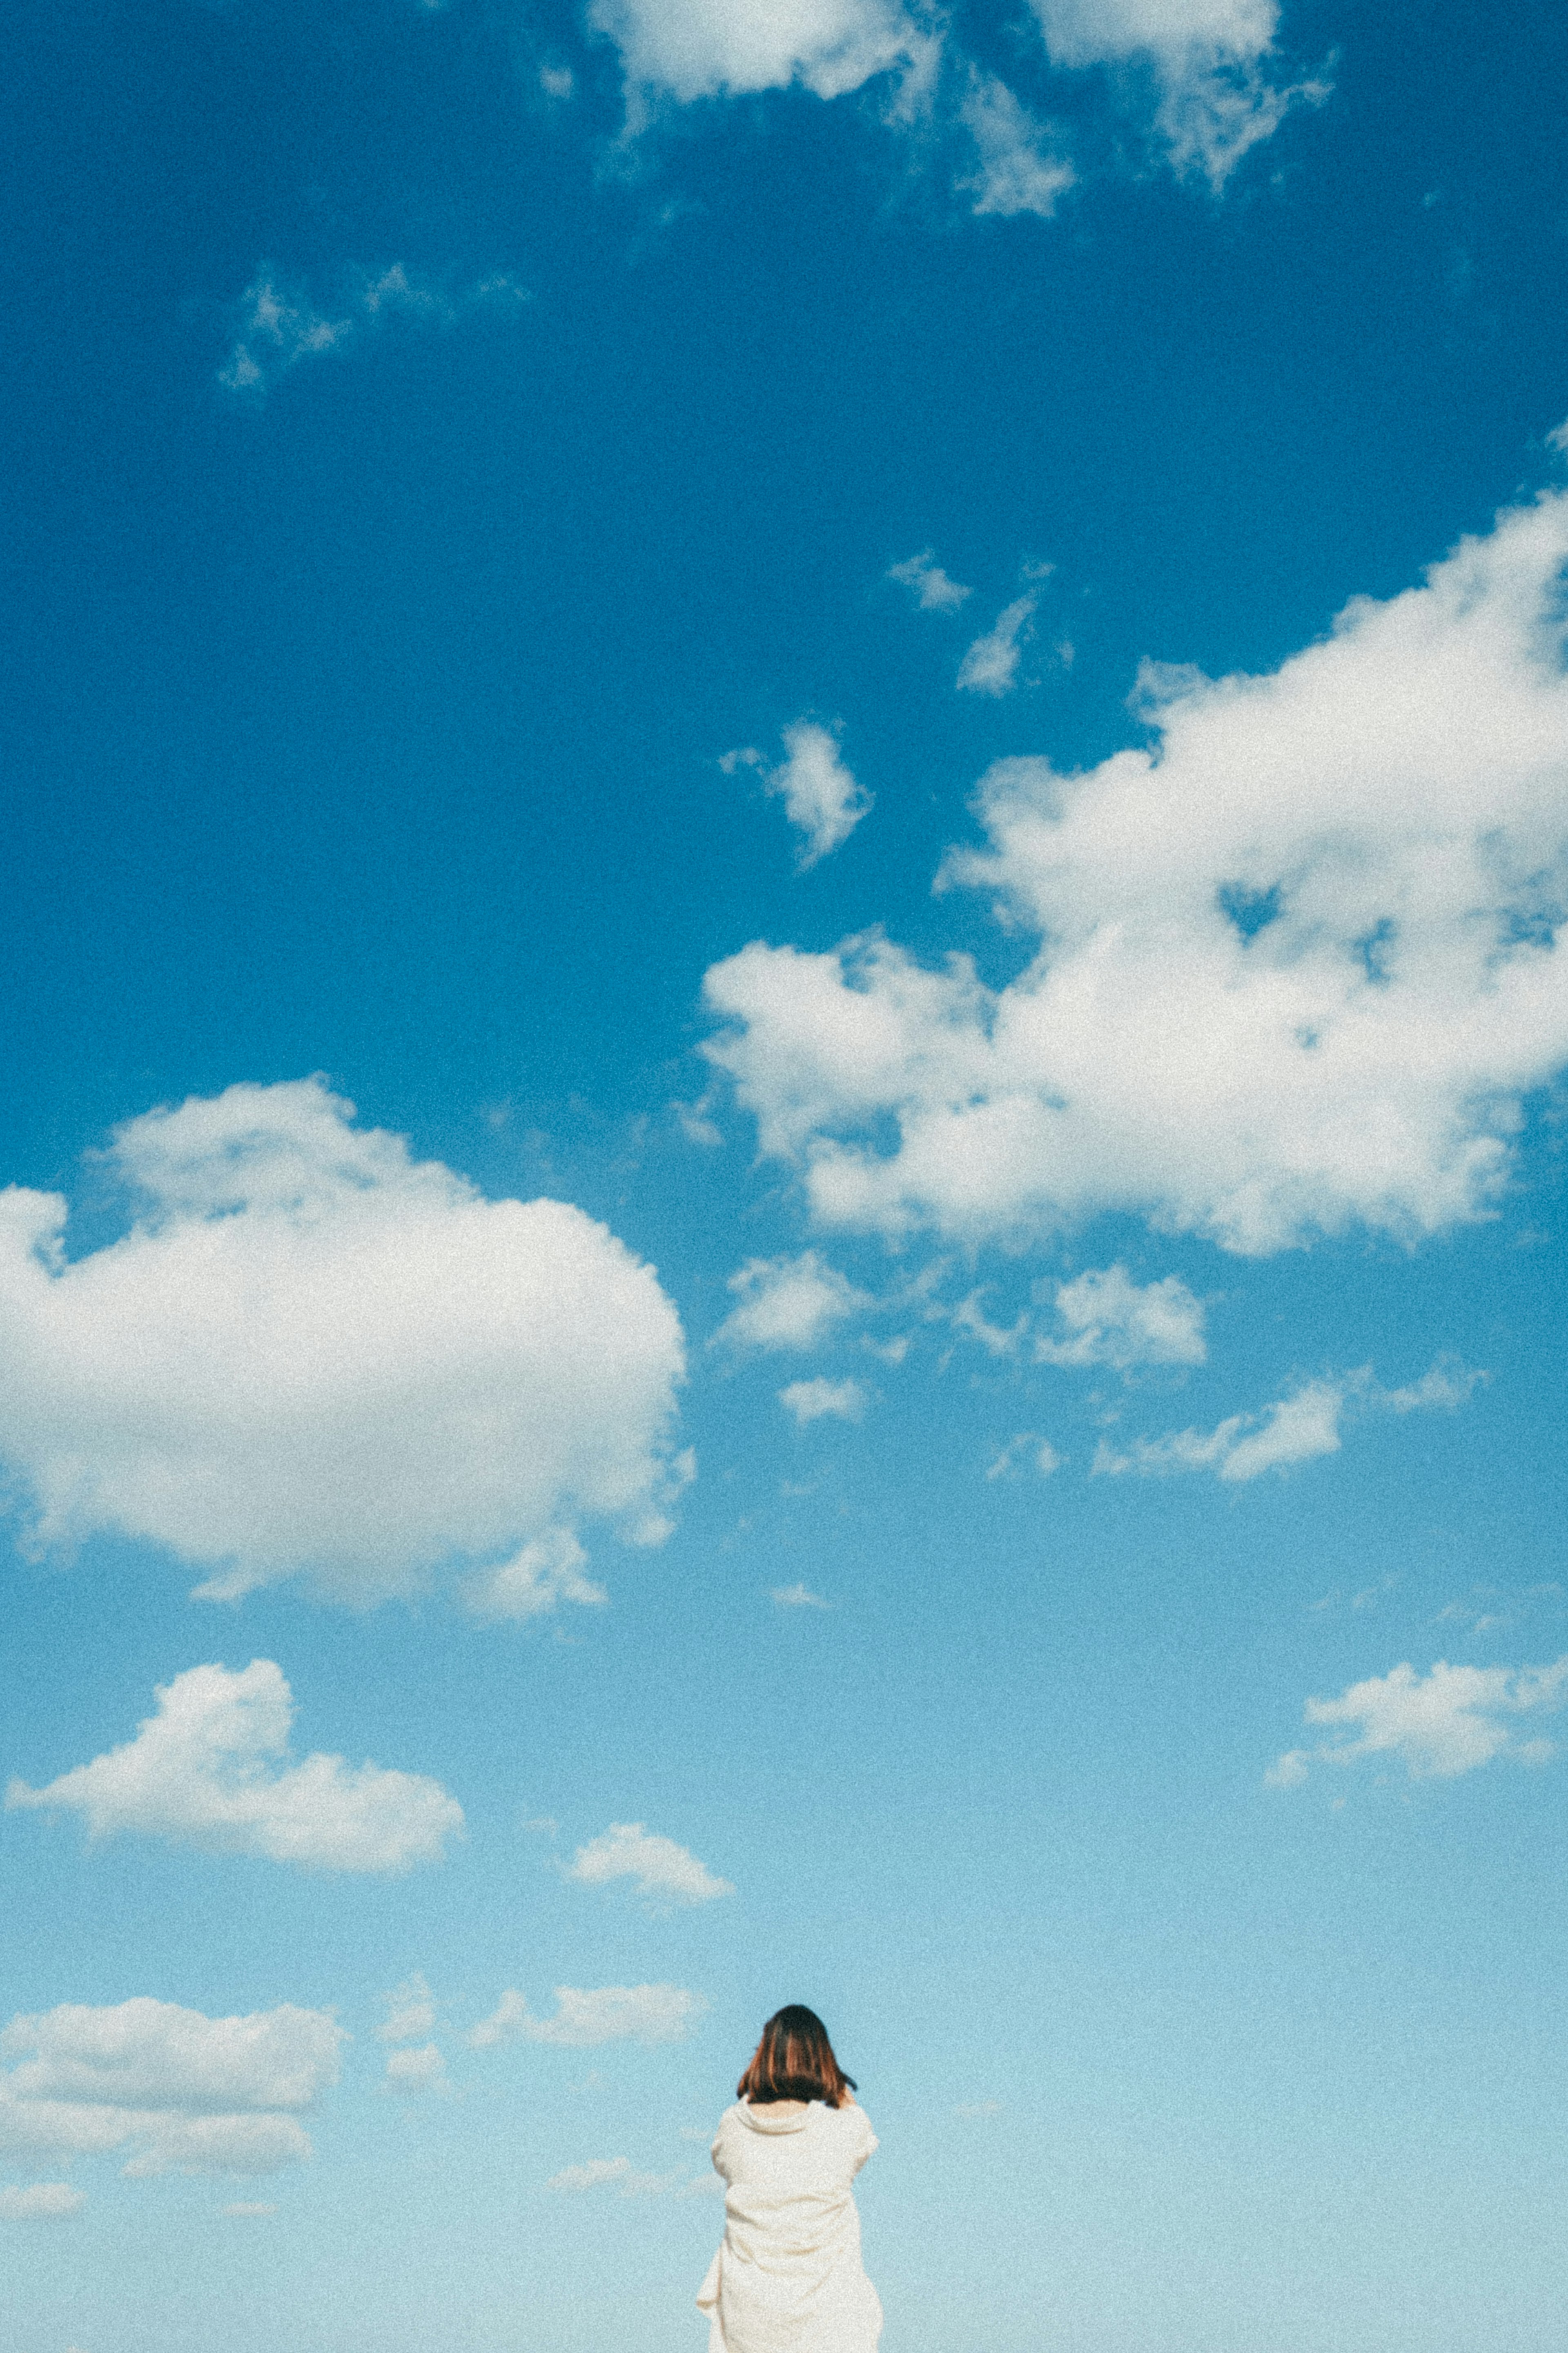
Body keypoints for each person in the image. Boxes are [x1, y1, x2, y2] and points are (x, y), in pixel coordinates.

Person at [697, 2004, 882, 2353]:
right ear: (823, 2059)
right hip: (829, 2329)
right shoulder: (841, 2131)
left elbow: (727, 2150)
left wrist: (762, 2078)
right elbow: (860, 2125)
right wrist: (830, 2077)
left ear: (764, 2056)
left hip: (749, 2326)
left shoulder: (732, 2130)